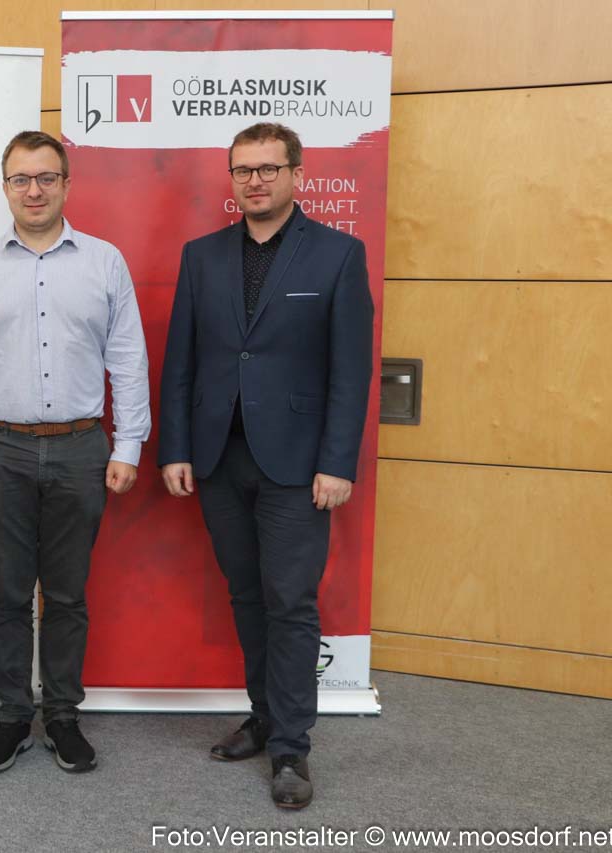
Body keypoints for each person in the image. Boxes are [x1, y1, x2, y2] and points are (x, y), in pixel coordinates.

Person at [158, 122, 373, 809]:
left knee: (290, 602)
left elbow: (351, 371)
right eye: (243, 170)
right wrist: (176, 447)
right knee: (246, 596)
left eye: (268, 169)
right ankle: (263, 715)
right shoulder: (202, 256)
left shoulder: (338, 254)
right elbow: (181, 360)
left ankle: (291, 747)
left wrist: (337, 461)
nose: (255, 180)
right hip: (219, 459)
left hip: (299, 466)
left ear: (297, 175)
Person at [0, 130, 150, 775]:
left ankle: (61, 715)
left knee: (67, 594)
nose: (34, 190)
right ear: (5, 187)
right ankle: (11, 715)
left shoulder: (105, 262)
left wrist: (129, 443)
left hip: (82, 448)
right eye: (21, 179)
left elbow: (128, 359)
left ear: (66, 184)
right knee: (7, 594)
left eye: (46, 178)